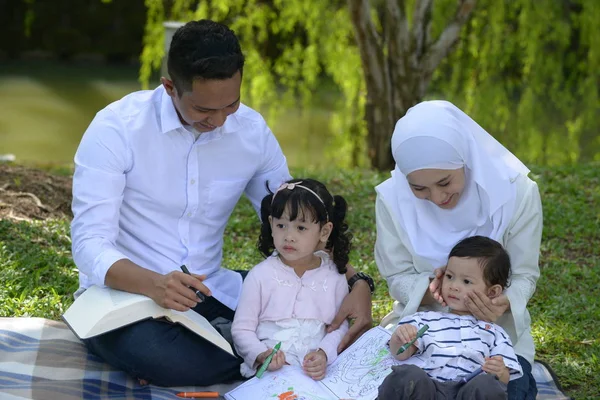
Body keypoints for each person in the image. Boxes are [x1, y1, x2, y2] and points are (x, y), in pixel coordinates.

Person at [70, 19, 372, 387]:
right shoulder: (116, 129)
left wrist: (357, 282)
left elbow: (299, 215)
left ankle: (243, 343)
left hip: (212, 287)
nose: (218, 120)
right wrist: (154, 284)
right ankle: (256, 350)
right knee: (172, 362)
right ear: (170, 87)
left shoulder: (251, 131)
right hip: (126, 294)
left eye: (231, 104)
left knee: (320, 305)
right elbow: (89, 244)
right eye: (202, 110)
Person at [375, 100, 541, 400]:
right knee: (402, 386)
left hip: (493, 339)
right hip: (419, 338)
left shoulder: (517, 193)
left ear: (465, 158)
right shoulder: (391, 199)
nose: (437, 198)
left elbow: (525, 275)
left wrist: (500, 302)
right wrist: (431, 289)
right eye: (419, 188)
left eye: (444, 182)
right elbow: (397, 275)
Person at [231, 178, 352, 381]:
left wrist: (323, 353)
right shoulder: (260, 276)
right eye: (281, 225)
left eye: (301, 228)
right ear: (271, 224)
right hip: (270, 376)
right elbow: (242, 329)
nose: (289, 236)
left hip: (316, 376)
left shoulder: (334, 277)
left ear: (324, 231)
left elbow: (340, 327)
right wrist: (262, 354)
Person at [378, 236, 523, 400]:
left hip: (468, 391)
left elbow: (504, 379)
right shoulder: (424, 319)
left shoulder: (495, 332)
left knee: (488, 386)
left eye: (466, 281)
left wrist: (500, 371)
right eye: (449, 276)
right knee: (408, 375)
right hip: (428, 390)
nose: (453, 286)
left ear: (492, 292)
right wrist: (401, 336)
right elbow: (400, 353)